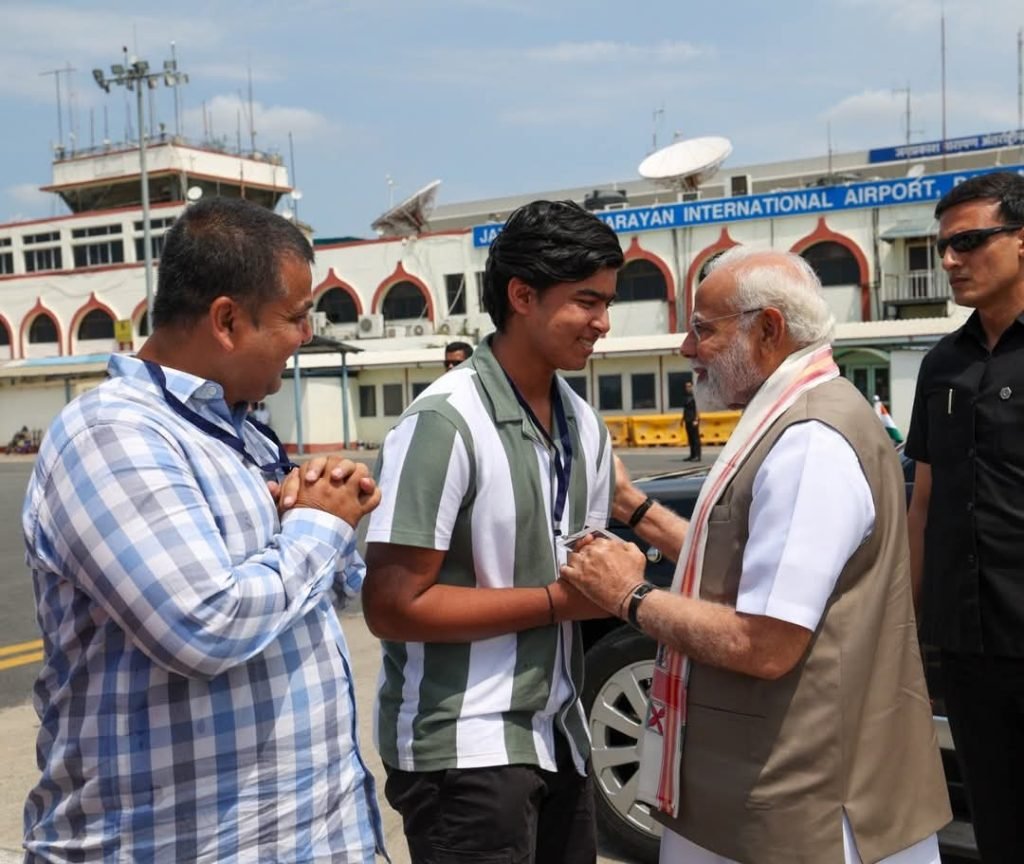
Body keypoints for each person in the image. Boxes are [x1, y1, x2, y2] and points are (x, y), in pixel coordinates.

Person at [21, 197, 387, 863]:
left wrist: (321, 506)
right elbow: (203, 625)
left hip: (310, 835)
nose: (307, 335)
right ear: (226, 320)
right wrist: (317, 526)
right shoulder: (114, 433)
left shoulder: (241, 433)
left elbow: (320, 593)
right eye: (295, 316)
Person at [561, 247, 950, 863]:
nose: (687, 348)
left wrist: (628, 597)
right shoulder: (799, 413)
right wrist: (635, 507)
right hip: (781, 785)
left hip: (803, 802)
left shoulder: (808, 443)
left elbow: (765, 643)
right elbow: (742, 561)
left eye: (703, 329)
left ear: (768, 329)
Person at [362, 200, 624, 864]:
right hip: (464, 751)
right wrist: (557, 602)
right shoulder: (445, 421)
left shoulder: (585, 426)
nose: (603, 322)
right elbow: (391, 607)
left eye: (607, 302)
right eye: (587, 301)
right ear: (522, 296)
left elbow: (585, 567)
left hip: (560, 736)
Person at [906, 171, 1024, 861]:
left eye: (970, 242)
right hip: (968, 653)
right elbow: (923, 503)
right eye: (943, 246)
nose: (950, 259)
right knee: (997, 830)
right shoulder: (942, 366)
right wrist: (909, 635)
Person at [682, 379, 701, 461]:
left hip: (693, 419)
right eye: (686, 386)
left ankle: (697, 456)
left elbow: (698, 408)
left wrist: (696, 419)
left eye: (689, 386)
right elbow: (685, 409)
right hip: (687, 419)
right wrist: (682, 419)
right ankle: (692, 455)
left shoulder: (695, 396)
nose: (688, 388)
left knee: (695, 438)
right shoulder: (686, 397)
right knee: (690, 438)